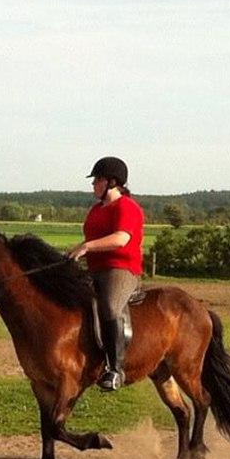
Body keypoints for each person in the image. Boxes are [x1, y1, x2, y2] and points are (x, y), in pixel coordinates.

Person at [67, 156, 145, 392]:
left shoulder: (127, 207)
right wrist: (75, 251)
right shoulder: (96, 209)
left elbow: (121, 239)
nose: (93, 185)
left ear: (113, 182)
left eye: (97, 180)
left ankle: (115, 368)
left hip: (121, 269)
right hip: (95, 268)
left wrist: (88, 247)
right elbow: (92, 240)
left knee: (110, 307)